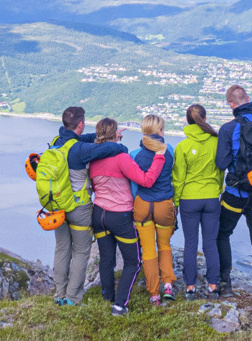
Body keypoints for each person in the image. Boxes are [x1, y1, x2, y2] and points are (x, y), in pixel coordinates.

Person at [89, 118, 167, 316]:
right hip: (120, 216)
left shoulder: (93, 157)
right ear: (116, 134)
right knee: (133, 262)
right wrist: (159, 156)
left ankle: (107, 297)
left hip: (99, 214)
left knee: (106, 259)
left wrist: (113, 140)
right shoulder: (122, 157)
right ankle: (119, 305)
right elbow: (147, 180)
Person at [52, 107, 127, 306]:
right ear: (81, 124)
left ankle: (59, 295)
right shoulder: (79, 150)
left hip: (57, 207)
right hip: (78, 208)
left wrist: (107, 134)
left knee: (62, 249)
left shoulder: (58, 143)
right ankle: (73, 298)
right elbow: (108, 149)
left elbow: (87, 138)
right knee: (81, 252)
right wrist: (119, 145)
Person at [215, 85, 252, 304]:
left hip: (235, 192)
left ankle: (225, 284)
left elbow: (221, 163)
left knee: (223, 234)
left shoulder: (229, 128)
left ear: (231, 103)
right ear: (248, 99)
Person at [172, 104, 224, 300]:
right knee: (210, 243)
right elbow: (220, 171)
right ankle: (212, 286)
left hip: (189, 199)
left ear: (188, 120)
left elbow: (178, 178)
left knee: (190, 243)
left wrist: (176, 202)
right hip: (211, 197)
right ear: (205, 117)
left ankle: (190, 287)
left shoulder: (183, 146)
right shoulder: (216, 142)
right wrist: (217, 189)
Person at [130, 115, 177, 305]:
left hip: (142, 204)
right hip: (164, 204)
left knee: (148, 251)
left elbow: (134, 185)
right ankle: (167, 285)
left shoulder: (134, 155)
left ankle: (153, 294)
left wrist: (136, 202)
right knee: (164, 245)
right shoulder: (170, 151)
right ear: (160, 131)